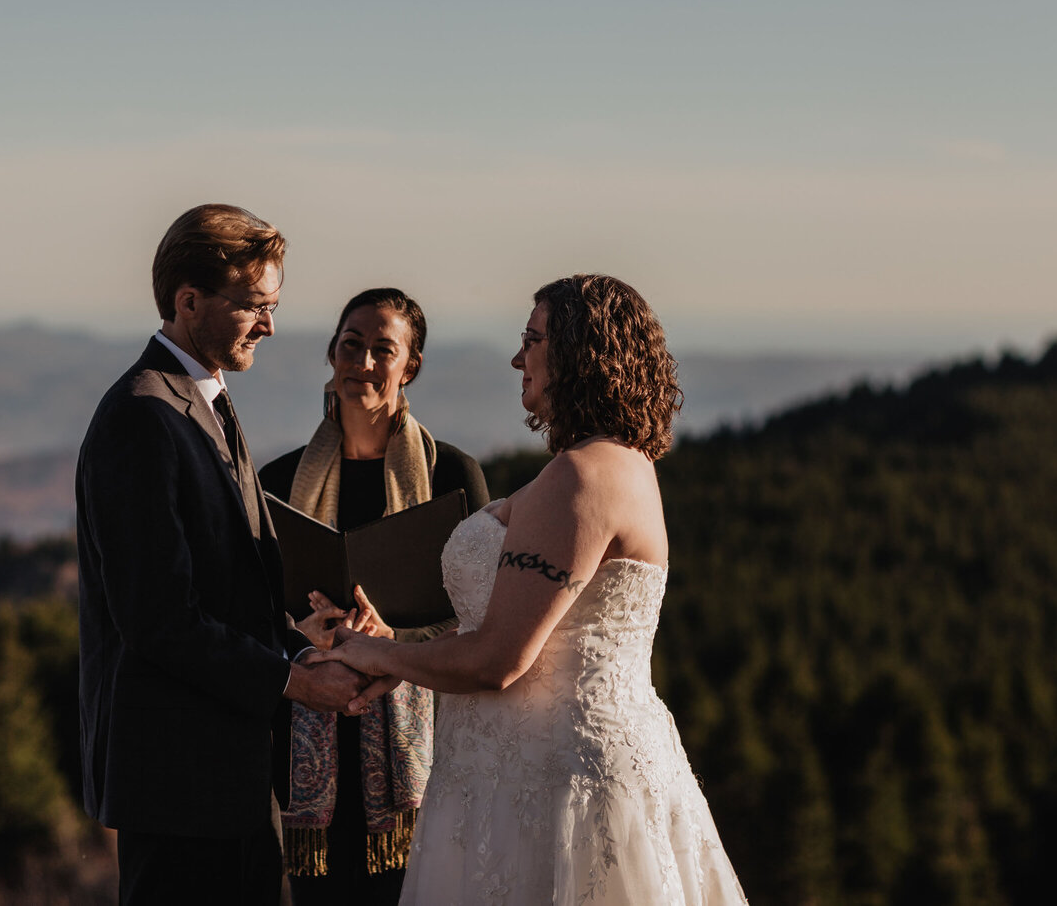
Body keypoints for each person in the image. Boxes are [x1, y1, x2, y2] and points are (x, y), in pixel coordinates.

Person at [311, 274, 748, 905]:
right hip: (525, 766)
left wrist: (375, 654)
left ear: (577, 352)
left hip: (550, 785)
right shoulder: (617, 463)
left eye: (532, 339)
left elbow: (497, 660)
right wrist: (406, 660)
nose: (519, 358)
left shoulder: (581, 476)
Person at [75, 204, 375, 906]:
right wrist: (295, 682)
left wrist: (309, 645)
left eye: (272, 305)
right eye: (253, 306)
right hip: (178, 784)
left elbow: (229, 589)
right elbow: (158, 621)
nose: (270, 324)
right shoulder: (140, 418)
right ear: (188, 301)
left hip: (229, 775)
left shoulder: (205, 398)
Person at [258, 288, 490, 906]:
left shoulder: (452, 478)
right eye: (350, 344)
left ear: (409, 366)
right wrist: (304, 637)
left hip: (419, 733)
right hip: (311, 724)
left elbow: (482, 613)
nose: (361, 361)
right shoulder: (277, 483)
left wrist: (392, 643)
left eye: (382, 349)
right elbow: (251, 612)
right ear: (332, 353)